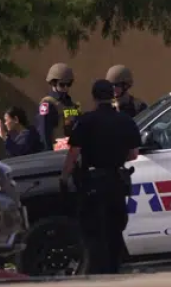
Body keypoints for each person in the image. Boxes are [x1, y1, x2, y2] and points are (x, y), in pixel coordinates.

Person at [60, 79, 141, 274]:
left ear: (94, 97)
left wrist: (64, 177)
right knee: (115, 229)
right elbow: (133, 154)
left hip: (93, 183)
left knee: (94, 231)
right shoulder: (125, 120)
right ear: (112, 96)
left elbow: (73, 153)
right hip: (116, 180)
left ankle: (100, 273)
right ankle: (114, 270)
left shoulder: (86, 121)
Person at [36, 63, 82, 151]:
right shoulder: (47, 104)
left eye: (69, 84)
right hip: (56, 154)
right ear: (53, 83)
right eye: (62, 84)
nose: (66, 88)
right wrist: (48, 154)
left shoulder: (73, 105)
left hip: (73, 152)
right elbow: (44, 133)